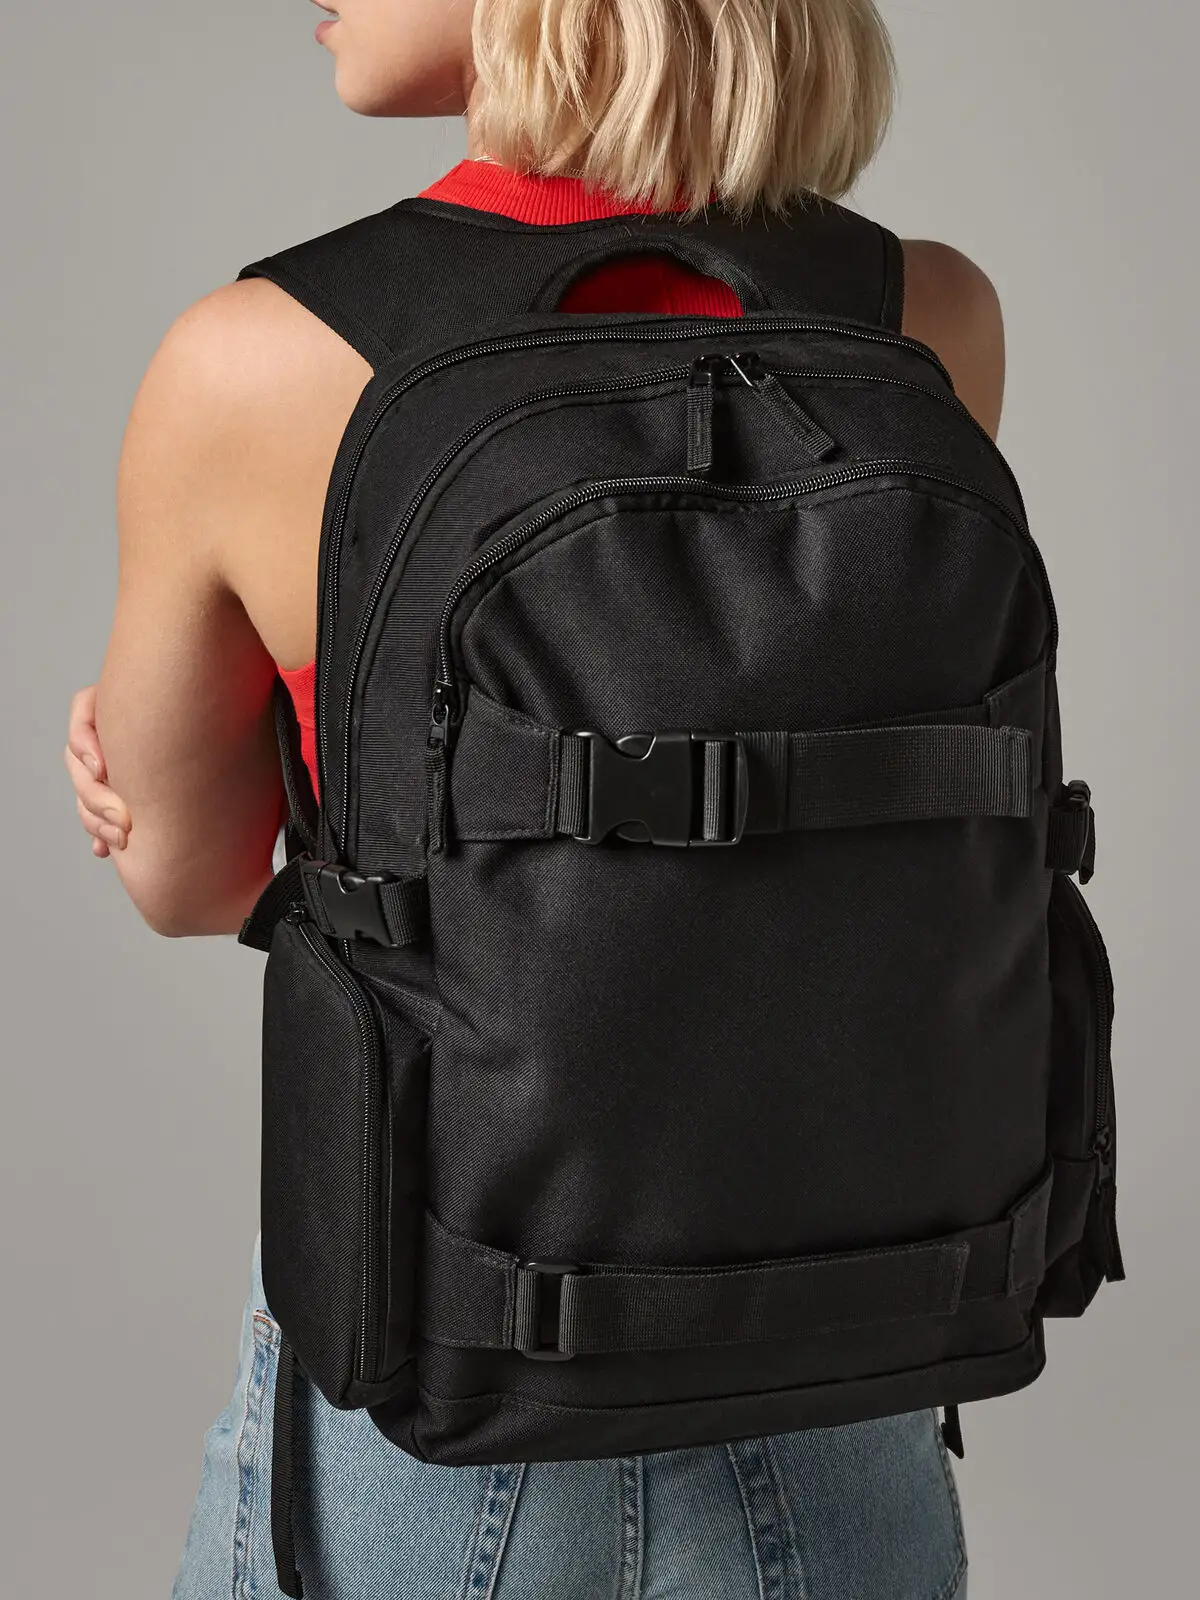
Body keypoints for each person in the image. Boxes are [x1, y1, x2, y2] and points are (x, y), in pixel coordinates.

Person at [65, 1, 1004, 1593]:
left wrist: (133, 770)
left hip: (439, 1376)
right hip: (845, 1362)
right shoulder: (926, 316)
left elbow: (196, 879)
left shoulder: (259, 360)